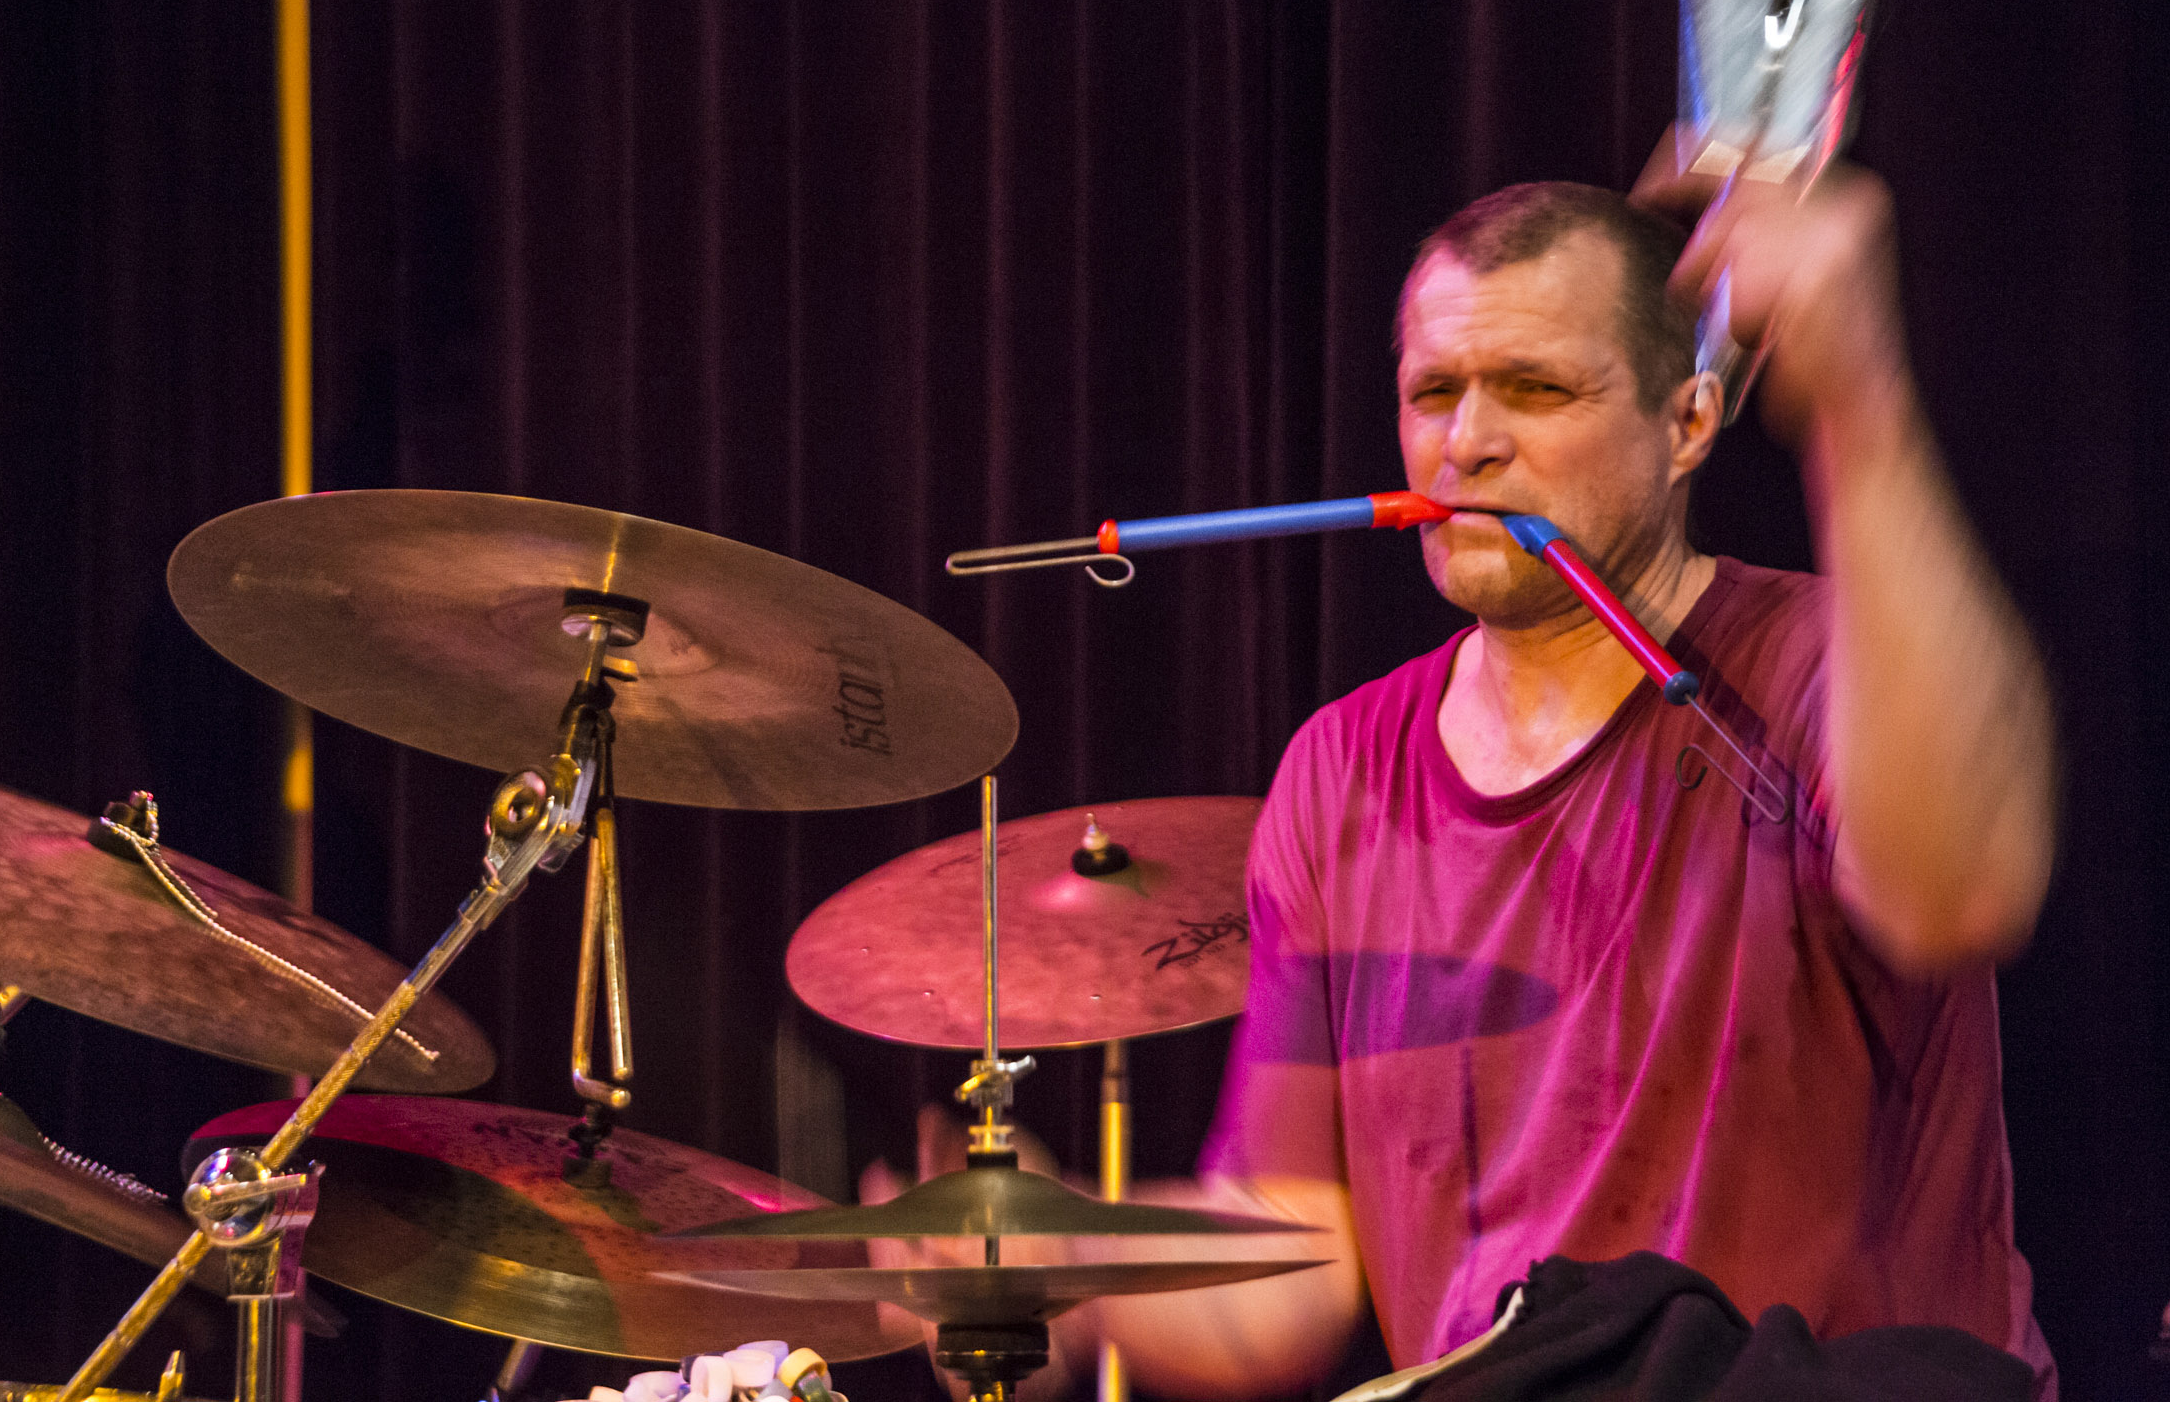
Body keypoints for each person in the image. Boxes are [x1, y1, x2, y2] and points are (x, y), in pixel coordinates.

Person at [882, 135, 2059, 1400]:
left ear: (1687, 421)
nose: (1467, 442)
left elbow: (1959, 891)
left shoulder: (1837, 664)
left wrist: (1856, 401)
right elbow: (1292, 1259)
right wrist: (1061, 1252)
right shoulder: (1338, 770)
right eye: (1432, 391)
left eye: (1535, 388)